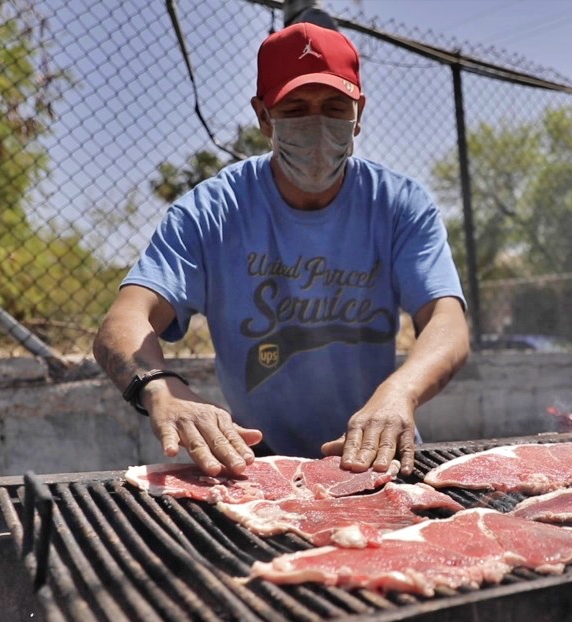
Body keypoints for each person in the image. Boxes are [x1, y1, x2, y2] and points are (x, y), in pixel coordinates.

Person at [93, 22, 469, 479]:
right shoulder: (212, 210)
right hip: (259, 467)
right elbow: (126, 319)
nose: (317, 124)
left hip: (379, 459)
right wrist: (161, 389)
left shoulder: (398, 204)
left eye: (334, 108)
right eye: (295, 108)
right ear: (264, 116)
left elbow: (447, 321)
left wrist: (400, 394)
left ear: (359, 112)